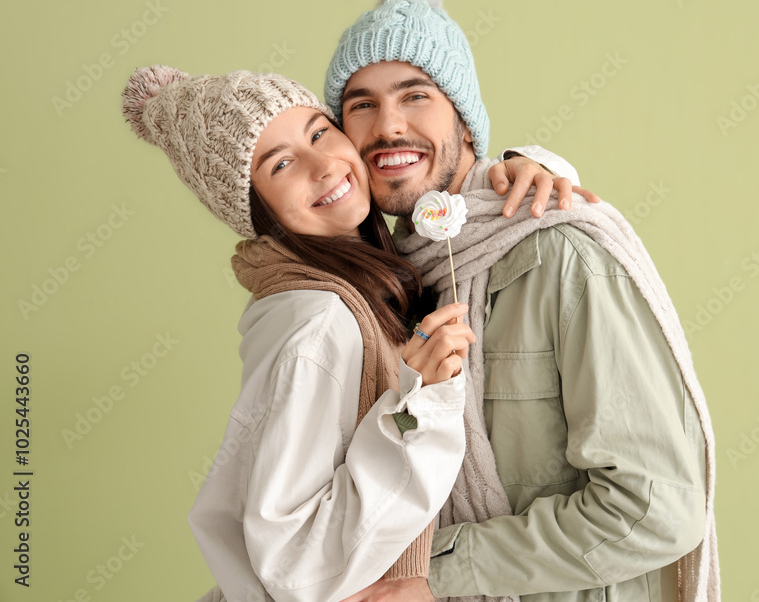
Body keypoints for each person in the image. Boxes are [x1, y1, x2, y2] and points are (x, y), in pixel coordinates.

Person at [325, 0, 722, 602]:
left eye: (415, 95)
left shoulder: (560, 255)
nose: (388, 127)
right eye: (361, 105)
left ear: (465, 120)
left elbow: (657, 508)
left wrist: (433, 574)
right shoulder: (391, 285)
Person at [119, 65, 582, 602]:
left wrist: (527, 166)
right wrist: (418, 408)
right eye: (281, 164)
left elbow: (436, 187)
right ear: (255, 209)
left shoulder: (364, 279)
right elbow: (294, 561)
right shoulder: (319, 324)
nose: (323, 166)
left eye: (319, 133)